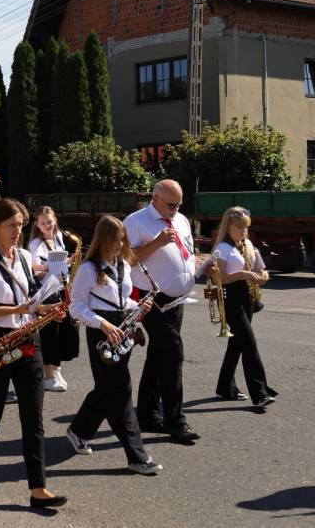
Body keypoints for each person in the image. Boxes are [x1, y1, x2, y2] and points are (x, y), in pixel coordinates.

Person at [0, 198, 66, 508]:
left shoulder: (23, 256)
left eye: (21, 225)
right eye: (12, 225)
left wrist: (47, 309)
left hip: (27, 340)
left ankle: (38, 488)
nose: (17, 231)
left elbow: (31, 302)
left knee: (33, 416)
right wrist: (17, 309)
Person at [66, 215, 163, 476]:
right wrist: (102, 324)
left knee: (106, 388)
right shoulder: (89, 269)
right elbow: (76, 307)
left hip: (122, 328)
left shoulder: (123, 265)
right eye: (115, 240)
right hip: (101, 331)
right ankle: (137, 456)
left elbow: (121, 300)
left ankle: (78, 430)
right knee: (121, 392)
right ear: (103, 240)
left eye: (122, 240)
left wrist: (138, 306)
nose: (120, 245)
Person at [124, 179, 200, 444]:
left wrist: (196, 266)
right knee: (173, 353)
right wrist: (156, 243)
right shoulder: (136, 222)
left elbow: (186, 251)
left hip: (178, 298)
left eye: (179, 204)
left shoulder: (182, 220)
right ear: (154, 198)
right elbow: (127, 260)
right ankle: (175, 421)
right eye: (171, 205)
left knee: (159, 354)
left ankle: (147, 413)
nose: (175, 209)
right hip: (151, 297)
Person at [210, 207, 277, 408]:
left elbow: (259, 266)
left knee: (237, 344)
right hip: (230, 297)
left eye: (246, 227)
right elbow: (218, 278)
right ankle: (260, 393)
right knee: (249, 342)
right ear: (228, 226)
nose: (243, 231)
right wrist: (243, 275)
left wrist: (263, 274)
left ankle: (225, 387)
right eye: (239, 227)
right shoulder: (222, 248)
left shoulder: (246, 243)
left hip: (247, 296)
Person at [28, 205, 79, 392]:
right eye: (43, 223)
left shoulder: (58, 237)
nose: (47, 225)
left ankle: (56, 370)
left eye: (49, 221)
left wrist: (68, 262)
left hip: (60, 288)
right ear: (37, 224)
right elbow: (33, 266)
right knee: (49, 335)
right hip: (46, 291)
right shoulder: (36, 243)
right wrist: (47, 267)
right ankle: (48, 375)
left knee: (62, 332)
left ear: (55, 220)